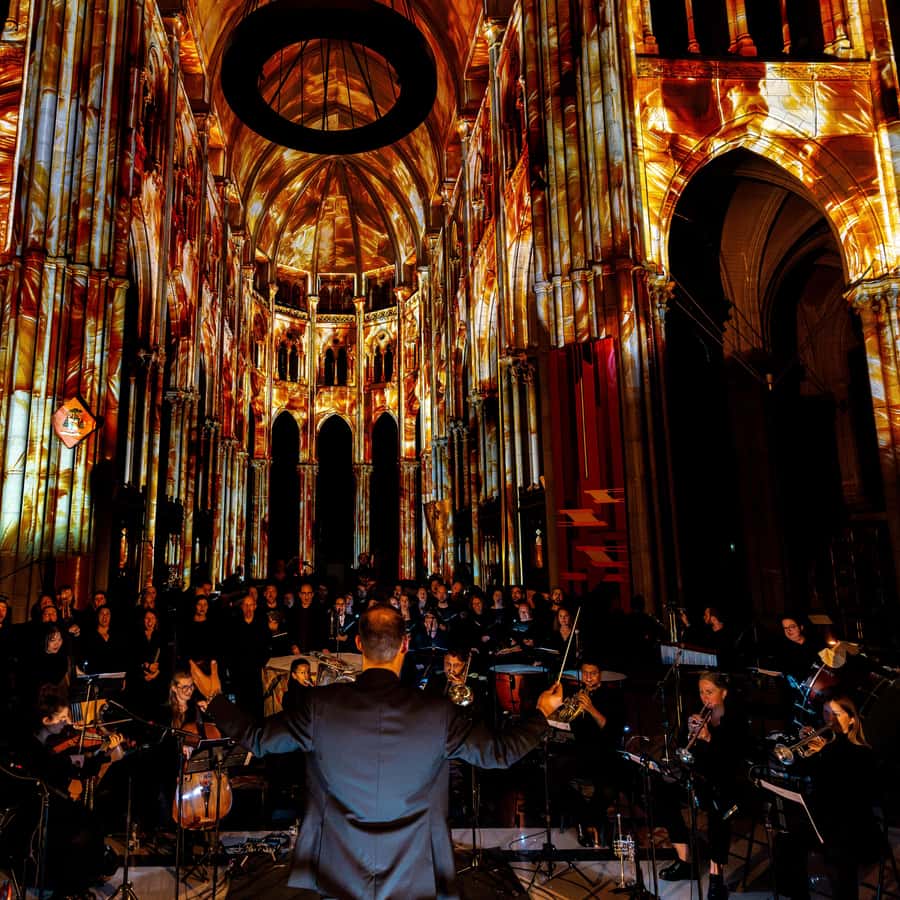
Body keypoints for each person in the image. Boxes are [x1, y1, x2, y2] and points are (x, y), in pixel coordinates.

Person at [190, 605, 563, 899]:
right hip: (415, 874)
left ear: (358, 645)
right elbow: (500, 753)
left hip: (338, 871)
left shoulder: (319, 706)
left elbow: (256, 738)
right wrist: (542, 713)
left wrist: (216, 699)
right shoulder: (437, 713)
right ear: (404, 645)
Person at [774, 695, 883, 900]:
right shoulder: (827, 745)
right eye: (825, 713)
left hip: (851, 824)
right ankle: (797, 895)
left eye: (836, 714)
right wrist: (804, 749)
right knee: (785, 841)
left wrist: (824, 753)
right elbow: (801, 770)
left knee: (837, 855)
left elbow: (849, 790)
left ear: (852, 719)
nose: (829, 718)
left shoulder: (862, 753)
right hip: (822, 819)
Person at [655, 671, 746, 899]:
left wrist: (709, 739)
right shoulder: (698, 713)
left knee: (719, 808)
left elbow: (733, 761)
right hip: (699, 776)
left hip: (727, 780)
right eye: (701, 692)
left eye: (710, 692)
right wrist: (688, 731)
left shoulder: (735, 718)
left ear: (723, 692)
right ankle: (685, 860)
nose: (705, 697)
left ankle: (716, 876)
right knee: (661, 791)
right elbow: (686, 754)